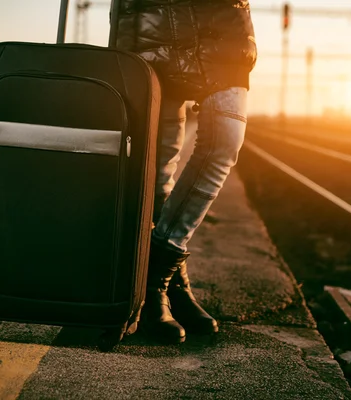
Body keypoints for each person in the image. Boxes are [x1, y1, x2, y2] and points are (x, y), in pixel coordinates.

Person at [115, 0, 257, 343]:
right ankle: (171, 290)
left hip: (223, 29)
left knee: (224, 143)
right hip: (153, 25)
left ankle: (153, 281)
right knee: (157, 165)